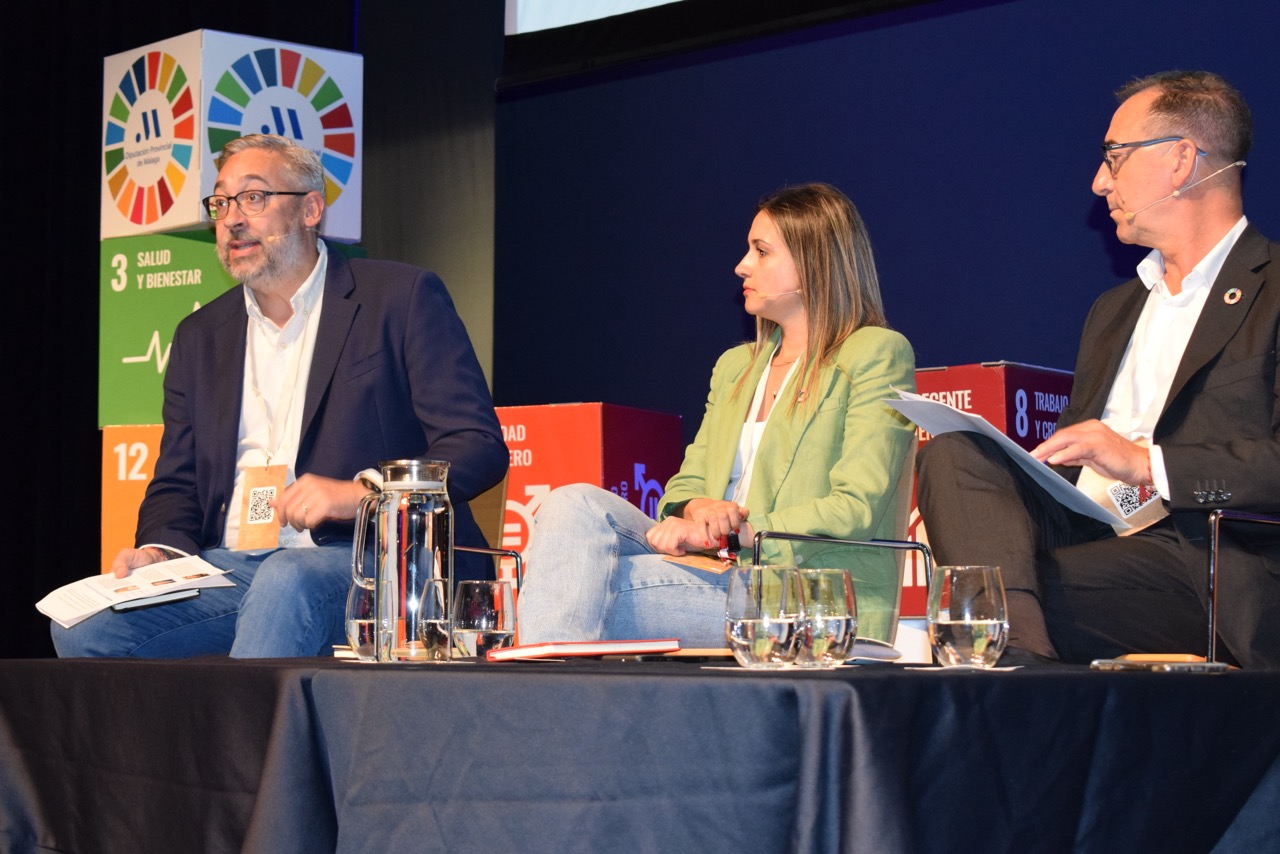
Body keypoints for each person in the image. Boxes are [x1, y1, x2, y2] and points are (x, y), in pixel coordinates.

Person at [52, 134, 508, 658]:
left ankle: (248, 719)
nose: (232, 218)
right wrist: (161, 553)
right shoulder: (200, 336)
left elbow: (476, 446)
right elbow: (177, 483)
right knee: (87, 627)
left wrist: (364, 493)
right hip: (232, 568)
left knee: (286, 580)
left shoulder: (399, 299)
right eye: (221, 203)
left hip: (372, 562)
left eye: (254, 197)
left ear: (310, 209)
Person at [916, 70, 1280, 668]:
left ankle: (1007, 663)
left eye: (1114, 157)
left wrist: (1147, 464)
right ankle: (1020, 658)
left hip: (1204, 559)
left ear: (1180, 159)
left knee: (991, 592)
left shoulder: (1273, 290)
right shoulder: (1114, 310)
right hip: (1095, 532)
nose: (1098, 181)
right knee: (956, 452)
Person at [517, 183, 916, 647]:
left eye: (761, 251)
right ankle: (549, 686)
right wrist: (701, 510)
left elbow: (856, 506)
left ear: (815, 261)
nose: (742, 266)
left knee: (583, 583)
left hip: (806, 595)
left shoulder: (876, 352)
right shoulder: (735, 367)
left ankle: (541, 688)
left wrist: (735, 531)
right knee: (572, 503)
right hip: (713, 570)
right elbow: (683, 488)